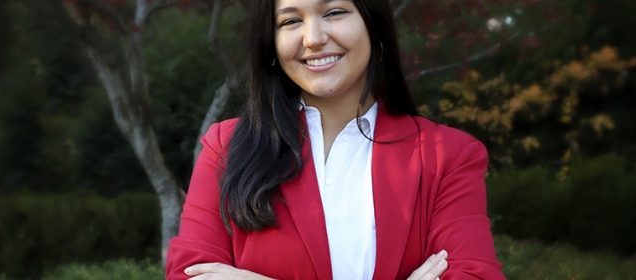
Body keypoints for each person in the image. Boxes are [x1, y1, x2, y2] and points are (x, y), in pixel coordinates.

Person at [166, 0, 506, 279]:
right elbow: (189, 274)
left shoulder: (448, 155)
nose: (313, 37)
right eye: (290, 21)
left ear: (374, 26)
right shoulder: (225, 147)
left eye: (334, 12)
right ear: (271, 42)